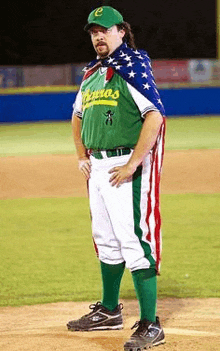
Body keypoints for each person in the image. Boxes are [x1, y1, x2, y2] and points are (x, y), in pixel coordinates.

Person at [67, 6, 166, 350]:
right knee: (105, 239)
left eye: (104, 30)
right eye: (93, 31)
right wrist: (82, 156)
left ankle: (151, 324)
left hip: (126, 164)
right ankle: (109, 311)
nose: (98, 36)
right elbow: (77, 116)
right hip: (98, 167)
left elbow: (154, 117)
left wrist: (134, 164)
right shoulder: (92, 73)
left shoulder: (133, 68)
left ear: (121, 32)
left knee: (136, 241)